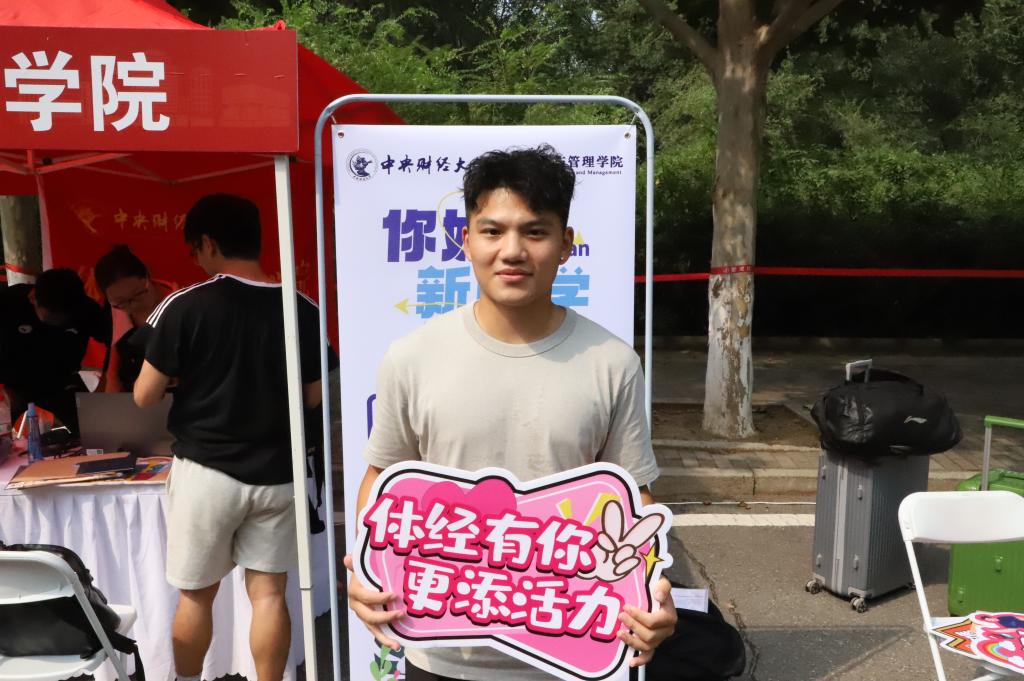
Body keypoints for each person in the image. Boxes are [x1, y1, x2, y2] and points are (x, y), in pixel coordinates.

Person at [344, 145, 678, 681]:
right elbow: (382, 477)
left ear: (566, 245)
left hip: (571, 645)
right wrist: (366, 566)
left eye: (535, 232)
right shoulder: (411, 357)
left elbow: (633, 497)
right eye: (493, 231)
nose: (513, 251)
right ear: (466, 240)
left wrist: (654, 587)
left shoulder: (613, 363)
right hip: (439, 646)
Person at [133, 194, 332, 681]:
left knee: (196, 595)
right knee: (269, 595)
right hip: (279, 474)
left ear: (208, 243)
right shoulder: (301, 307)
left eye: (194, 250)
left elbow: (144, 395)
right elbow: (314, 395)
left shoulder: (185, 305)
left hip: (206, 473)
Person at [0, 267, 110, 434]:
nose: (57, 325)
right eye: (49, 320)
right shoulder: (8, 302)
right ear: (32, 298)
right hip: (12, 386)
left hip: (61, 382)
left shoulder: (85, 309)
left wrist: (105, 383)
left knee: (95, 431)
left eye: (64, 323)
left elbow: (117, 342)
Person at [93, 245, 174, 392]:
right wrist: (112, 381)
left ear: (147, 277)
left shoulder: (182, 305)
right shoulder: (118, 306)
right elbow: (115, 360)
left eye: (137, 295)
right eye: (120, 302)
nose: (131, 306)